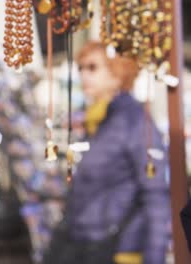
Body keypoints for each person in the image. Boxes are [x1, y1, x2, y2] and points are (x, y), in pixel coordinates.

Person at [44, 41, 170, 264]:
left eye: (92, 68)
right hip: (84, 243)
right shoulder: (98, 121)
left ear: (116, 72)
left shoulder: (134, 121)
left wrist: (153, 257)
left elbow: (156, 194)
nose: (84, 75)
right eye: (81, 68)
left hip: (117, 248)